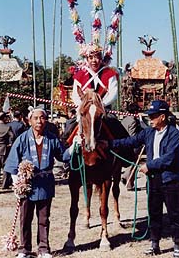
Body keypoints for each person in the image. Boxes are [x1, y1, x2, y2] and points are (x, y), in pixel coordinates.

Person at [109, 100, 179, 257]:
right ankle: (155, 244)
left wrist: (149, 166)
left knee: (174, 214)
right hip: (153, 180)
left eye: (153, 116)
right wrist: (108, 144)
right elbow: (130, 141)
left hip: (170, 180)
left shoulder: (175, 135)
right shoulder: (148, 132)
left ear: (162, 116)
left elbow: (170, 157)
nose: (150, 119)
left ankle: (177, 245)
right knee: (154, 213)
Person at [4, 108, 65, 258]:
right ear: (29, 120)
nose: (39, 121)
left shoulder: (52, 138)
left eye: (42, 118)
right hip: (27, 184)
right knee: (25, 218)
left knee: (44, 218)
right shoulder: (22, 138)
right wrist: (17, 182)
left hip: (45, 183)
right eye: (36, 118)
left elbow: (63, 155)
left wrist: (75, 146)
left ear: (46, 120)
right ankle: (24, 249)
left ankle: (43, 248)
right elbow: (12, 162)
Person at [72, 43, 119, 109]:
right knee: (72, 119)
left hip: (104, 108)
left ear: (101, 59)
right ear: (87, 60)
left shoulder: (110, 74)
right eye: (91, 58)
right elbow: (75, 95)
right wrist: (82, 105)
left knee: (112, 119)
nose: (94, 60)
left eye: (97, 57)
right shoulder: (80, 75)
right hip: (84, 109)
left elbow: (113, 93)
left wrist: (102, 104)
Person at [121, 102, 148, 190]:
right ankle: (129, 183)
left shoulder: (124, 119)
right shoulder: (133, 121)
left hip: (124, 144)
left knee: (131, 163)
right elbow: (132, 135)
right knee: (133, 164)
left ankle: (125, 177)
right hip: (132, 145)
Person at [0, 111, 14, 189]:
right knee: (5, 168)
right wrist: (9, 143)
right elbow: (12, 136)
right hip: (4, 149)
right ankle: (4, 184)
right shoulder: (7, 127)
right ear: (4, 118)